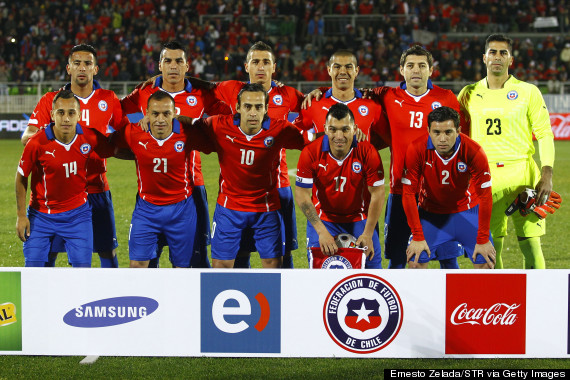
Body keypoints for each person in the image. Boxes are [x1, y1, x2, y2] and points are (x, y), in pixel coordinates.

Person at [303, 45, 463, 269]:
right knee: (397, 257)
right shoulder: (387, 96)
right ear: (401, 69)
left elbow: (459, 143)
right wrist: (321, 90)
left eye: (422, 66)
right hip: (401, 189)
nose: (416, 70)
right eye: (410, 66)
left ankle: (451, 304)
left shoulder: (446, 98)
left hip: (439, 192)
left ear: (431, 69)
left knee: (447, 257)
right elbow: (345, 92)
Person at [185, 41, 305, 269]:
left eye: (266, 62)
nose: (261, 67)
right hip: (236, 189)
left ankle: (283, 298)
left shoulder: (288, 94)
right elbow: (207, 87)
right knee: (240, 251)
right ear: (247, 66)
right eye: (256, 62)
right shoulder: (232, 89)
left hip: (277, 187)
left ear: (274, 67)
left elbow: (311, 111)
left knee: (282, 253)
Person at [121, 40, 231, 268]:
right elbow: (115, 109)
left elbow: (230, 118)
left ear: (187, 66)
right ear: (159, 65)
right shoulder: (144, 92)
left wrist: (194, 123)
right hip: (151, 193)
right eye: (168, 61)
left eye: (178, 61)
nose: (173, 66)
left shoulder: (202, 93)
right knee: (149, 260)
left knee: (196, 258)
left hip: (192, 188)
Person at [21, 44, 125, 268]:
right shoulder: (52, 100)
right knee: (49, 252)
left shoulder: (108, 99)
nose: (82, 68)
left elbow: (123, 135)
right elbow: (26, 136)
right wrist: (50, 133)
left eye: (87, 63)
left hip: (96, 188)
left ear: (95, 69)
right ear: (68, 68)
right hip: (59, 194)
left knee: (106, 249)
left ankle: (110, 296)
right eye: (77, 63)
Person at [458, 34, 555, 269]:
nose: (497, 57)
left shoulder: (528, 91)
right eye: (493, 52)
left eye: (503, 53)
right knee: (491, 246)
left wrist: (547, 174)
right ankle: (497, 299)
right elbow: (458, 137)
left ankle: (537, 300)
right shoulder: (468, 93)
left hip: (524, 174)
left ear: (511, 59)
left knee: (531, 244)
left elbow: (544, 133)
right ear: (484, 58)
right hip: (485, 176)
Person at [113, 91, 212, 268]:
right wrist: (138, 155)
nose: (160, 119)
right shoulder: (133, 132)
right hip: (146, 209)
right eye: (155, 113)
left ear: (174, 114)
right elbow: (110, 147)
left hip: (181, 209)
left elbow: (213, 136)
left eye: (166, 113)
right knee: (137, 266)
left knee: (182, 268)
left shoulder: (187, 132)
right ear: (147, 113)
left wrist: (189, 120)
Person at [16, 90, 114, 267]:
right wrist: (21, 216)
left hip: (78, 215)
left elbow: (114, 148)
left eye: (71, 113)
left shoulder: (89, 136)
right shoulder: (37, 143)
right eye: (61, 113)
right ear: (53, 114)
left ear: (79, 115)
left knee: (82, 272)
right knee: (33, 273)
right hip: (41, 215)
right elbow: (21, 177)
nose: (66, 118)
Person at [401, 106, 495, 269]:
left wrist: (483, 239)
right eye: (436, 132)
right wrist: (417, 236)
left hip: (467, 212)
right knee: (415, 262)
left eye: (448, 132)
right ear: (428, 130)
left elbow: (486, 196)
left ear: (458, 130)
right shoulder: (416, 149)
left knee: (486, 262)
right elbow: (408, 194)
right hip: (431, 215)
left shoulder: (474, 151)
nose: (442, 139)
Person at [295, 103, 384, 268]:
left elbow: (378, 193)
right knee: (320, 274)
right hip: (324, 219)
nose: (339, 135)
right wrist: (321, 232)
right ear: (325, 129)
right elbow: (301, 193)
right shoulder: (311, 152)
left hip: (359, 219)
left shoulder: (368, 152)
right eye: (333, 129)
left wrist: (368, 233)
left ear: (355, 128)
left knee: (372, 272)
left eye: (345, 129)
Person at [295, 49, 384, 139]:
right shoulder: (313, 103)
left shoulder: (373, 105)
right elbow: (291, 133)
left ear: (356, 71)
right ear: (329, 70)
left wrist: (366, 146)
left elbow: (389, 137)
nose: (342, 71)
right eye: (337, 67)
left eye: (348, 67)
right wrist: (314, 138)